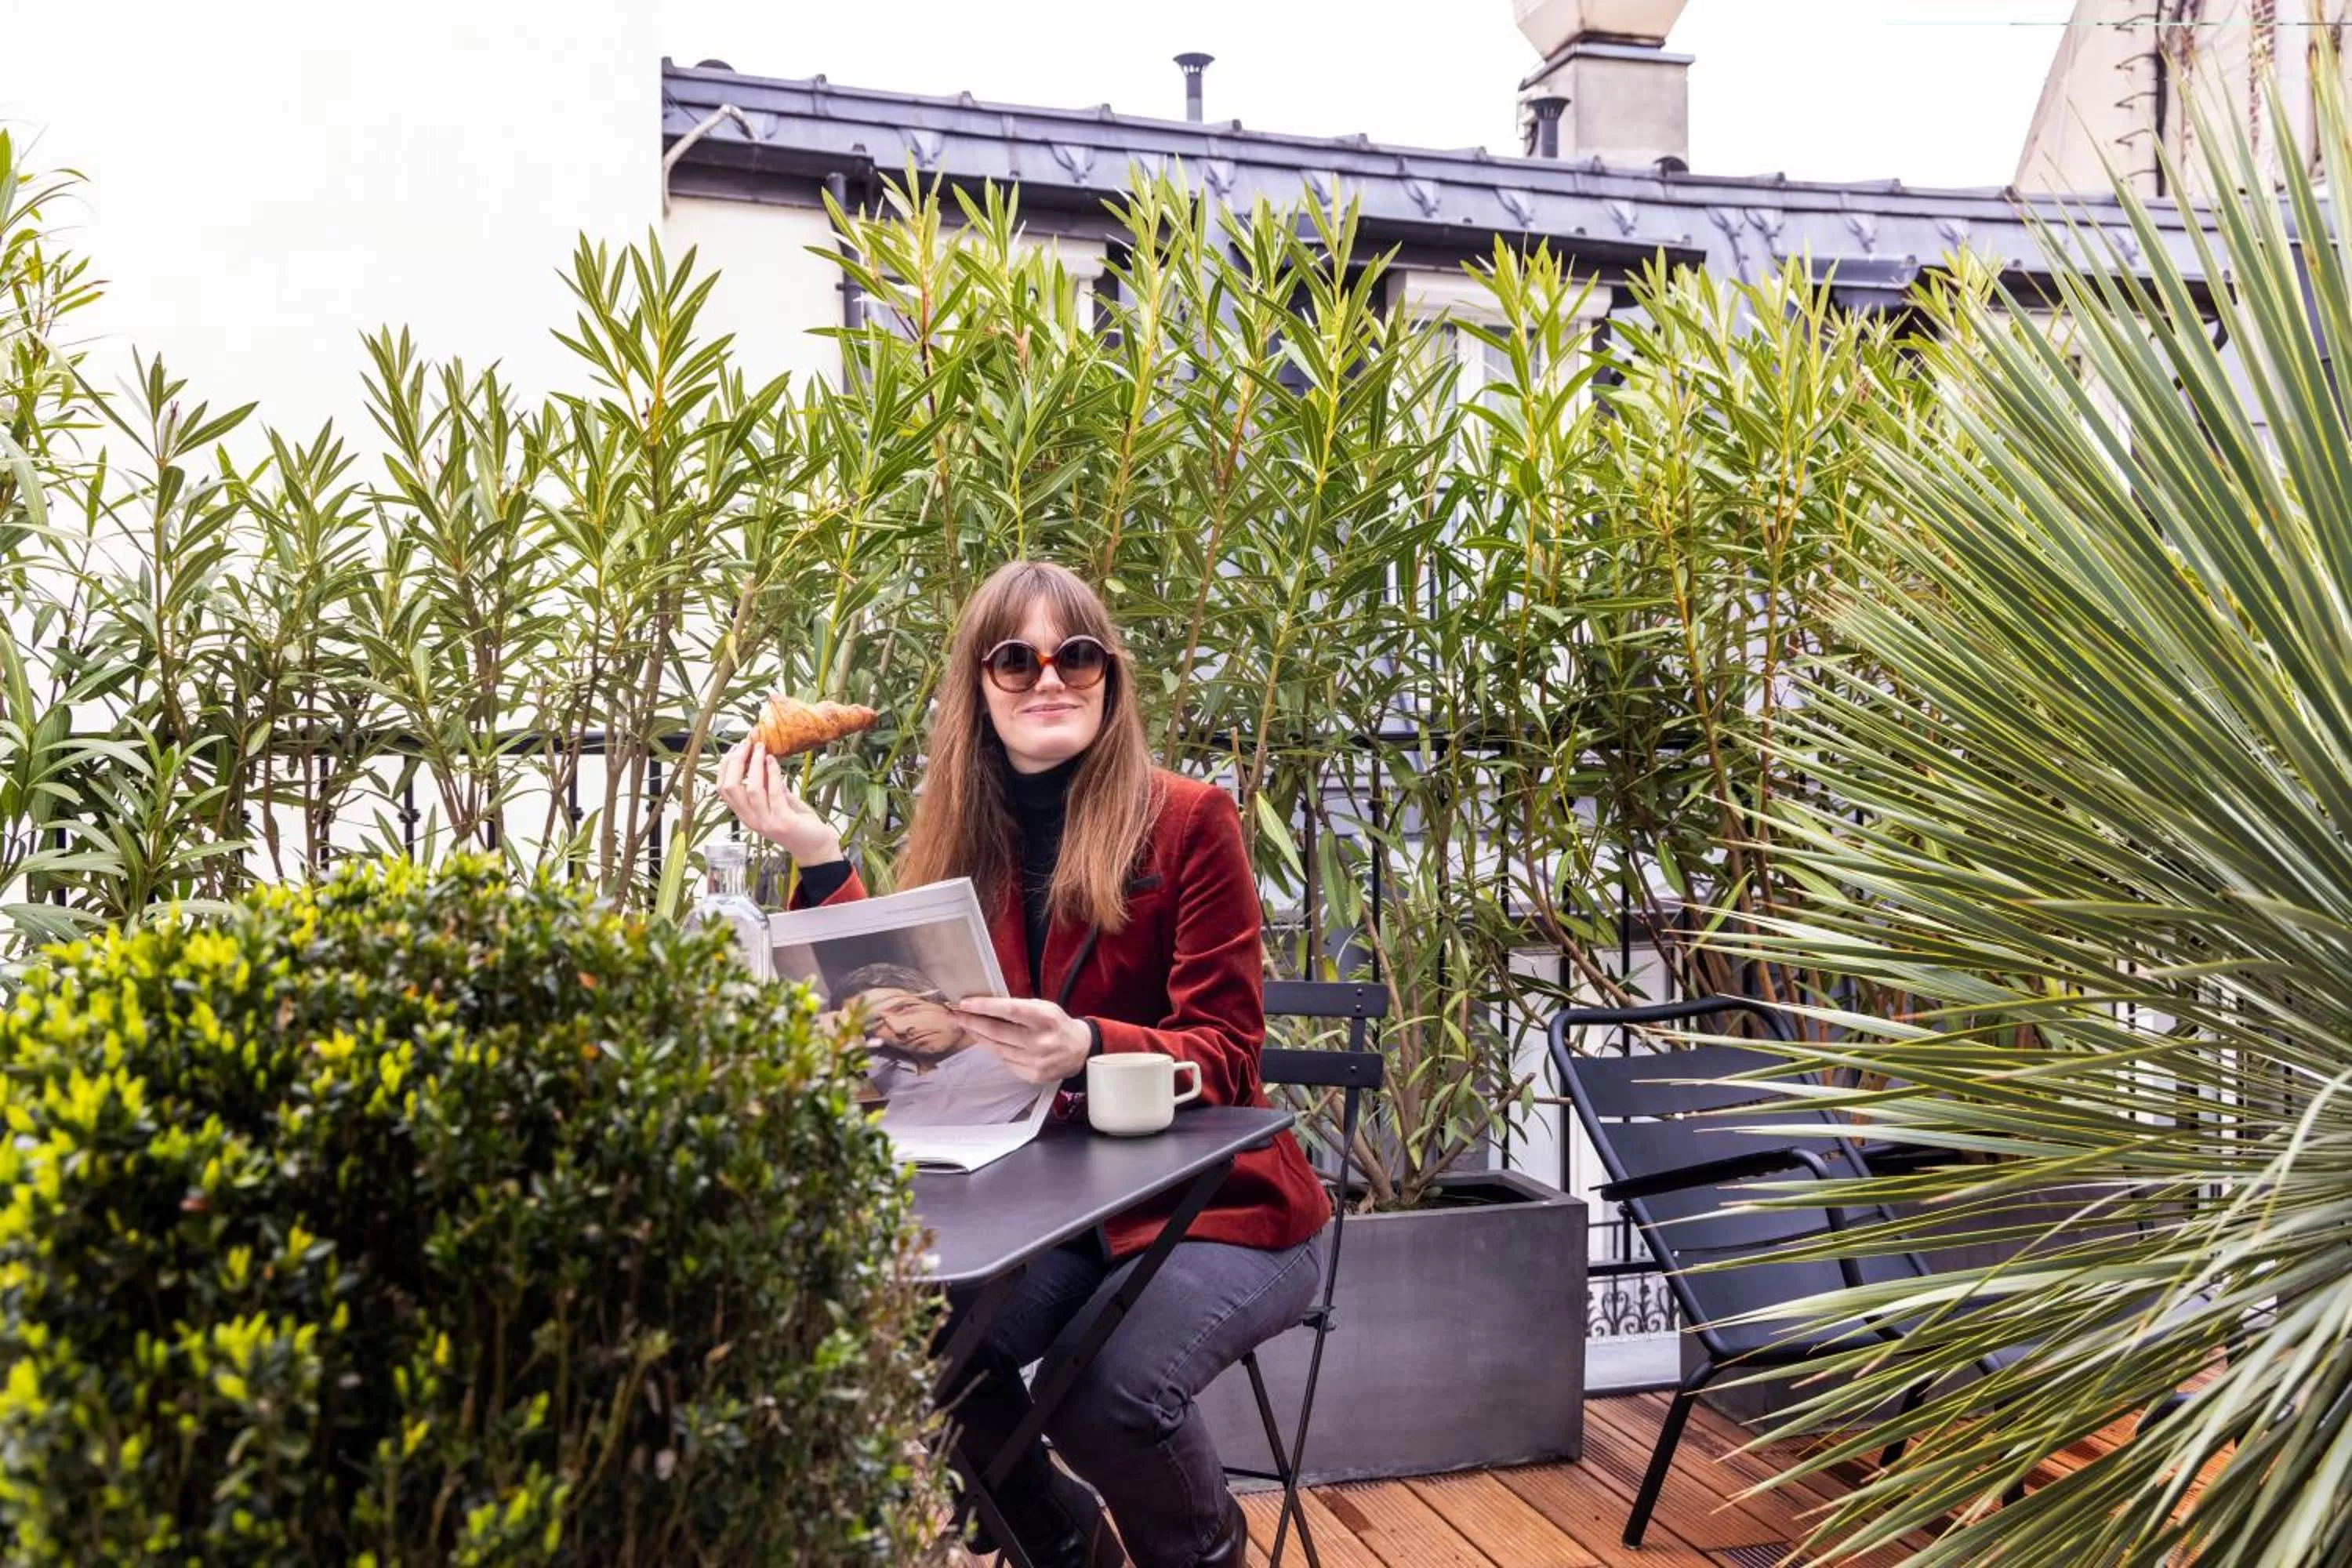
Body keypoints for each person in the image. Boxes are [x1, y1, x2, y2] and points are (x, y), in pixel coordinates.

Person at [716, 560, 1328, 1568]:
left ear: (1109, 677)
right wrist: (818, 854)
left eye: (1075, 653)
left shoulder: (1188, 820)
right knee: (910, 1356)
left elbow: (1226, 1052)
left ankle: (1206, 1552)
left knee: (1111, 1398)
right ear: (980, 687)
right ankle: (1066, 1543)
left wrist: (1086, 1043)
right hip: (1055, 1201)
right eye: (1016, 657)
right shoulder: (967, 835)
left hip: (1220, 1204)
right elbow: (927, 1006)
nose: (1050, 678)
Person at [828, 960, 1044, 1127]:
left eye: (905, 1008)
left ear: (943, 999)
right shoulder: (880, 1067)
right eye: (874, 1022)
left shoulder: (1013, 1061)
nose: (899, 1029)